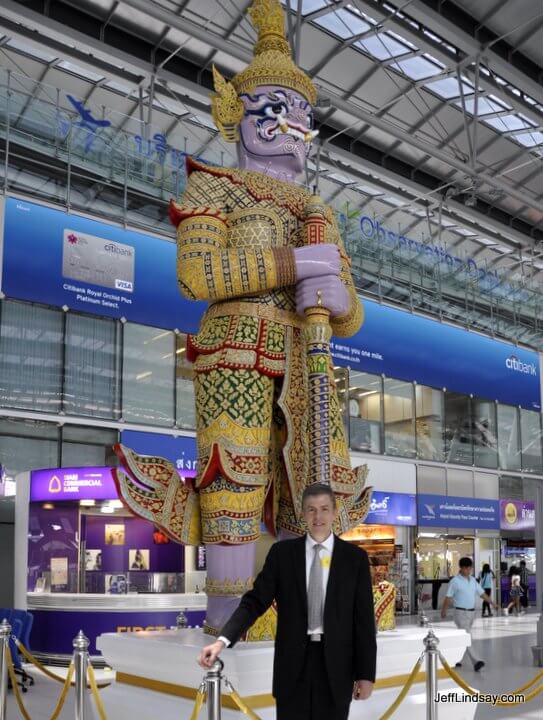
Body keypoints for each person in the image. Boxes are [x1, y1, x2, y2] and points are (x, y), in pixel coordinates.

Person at [198, 483, 377, 720]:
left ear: (334, 512)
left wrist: (366, 674)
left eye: (324, 509)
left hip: (337, 668)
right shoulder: (282, 555)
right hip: (293, 668)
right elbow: (254, 602)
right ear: (303, 514)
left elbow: (364, 621)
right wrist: (222, 640)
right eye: (311, 509)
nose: (318, 516)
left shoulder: (355, 560)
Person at [441, 557, 495, 671]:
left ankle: (456, 659)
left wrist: (492, 603)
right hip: (460, 613)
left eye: (470, 568)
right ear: (461, 568)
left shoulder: (473, 581)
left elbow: (482, 594)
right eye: (467, 568)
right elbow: (448, 597)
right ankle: (476, 662)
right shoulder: (455, 581)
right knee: (467, 637)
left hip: (471, 613)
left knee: (463, 638)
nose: (469, 570)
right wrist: (444, 610)